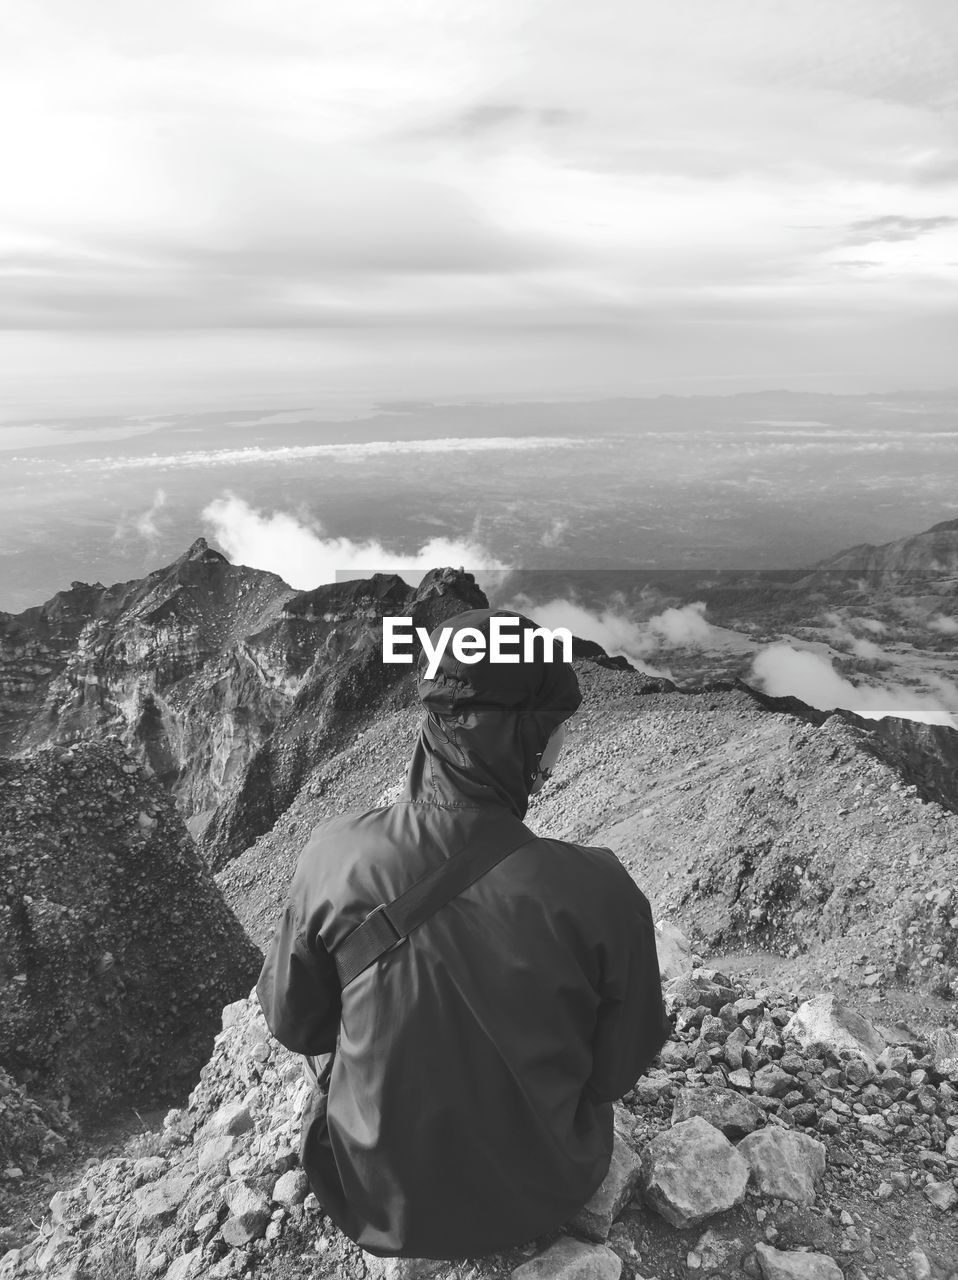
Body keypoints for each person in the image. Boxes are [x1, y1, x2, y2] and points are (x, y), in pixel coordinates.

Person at [256, 607, 668, 1260]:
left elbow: (294, 1024)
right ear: (523, 739)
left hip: (371, 1199)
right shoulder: (602, 890)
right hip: (549, 1188)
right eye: (559, 728)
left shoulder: (331, 854)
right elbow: (615, 1070)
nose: (565, 749)